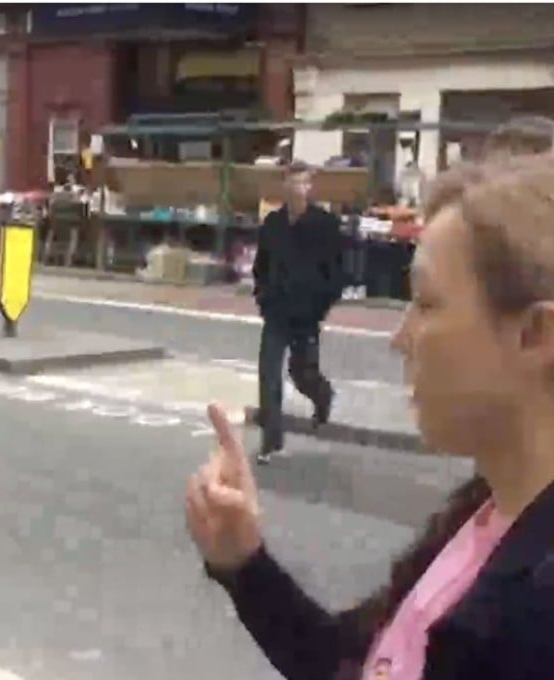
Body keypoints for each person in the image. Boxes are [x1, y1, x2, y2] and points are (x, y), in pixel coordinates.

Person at [186, 152, 554, 679]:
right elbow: (354, 665)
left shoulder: (536, 619)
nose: (399, 339)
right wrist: (244, 563)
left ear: (536, 336)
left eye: (426, 303)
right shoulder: (485, 515)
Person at [251, 160, 345, 464]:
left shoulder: (325, 224)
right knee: (268, 373)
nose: (298, 189)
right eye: (292, 183)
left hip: (307, 314)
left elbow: (336, 272)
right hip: (276, 311)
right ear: (284, 186)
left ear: (310, 187)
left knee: (302, 373)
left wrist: (321, 307)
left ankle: (323, 396)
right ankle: (272, 440)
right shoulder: (273, 224)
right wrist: (263, 296)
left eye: (303, 183)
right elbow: (261, 265)